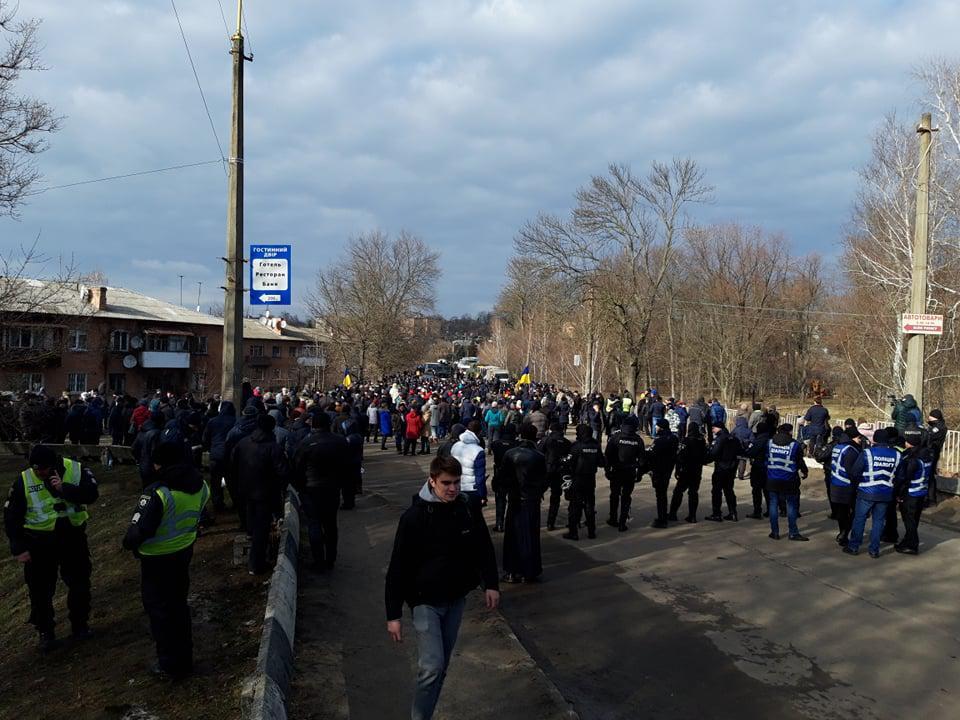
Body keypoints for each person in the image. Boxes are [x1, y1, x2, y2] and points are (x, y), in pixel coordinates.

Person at [384, 455, 500, 720]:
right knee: (432, 667)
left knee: (441, 667)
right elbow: (397, 568)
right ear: (432, 481)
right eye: (446, 483)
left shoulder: (467, 507)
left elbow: (483, 546)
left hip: (456, 599)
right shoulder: (413, 517)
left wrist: (491, 584)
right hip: (425, 602)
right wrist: (393, 615)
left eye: (457, 482)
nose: (453, 488)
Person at [123, 441, 210, 679]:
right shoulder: (201, 486)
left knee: (160, 613)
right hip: (183, 552)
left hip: (156, 561)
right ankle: (184, 658)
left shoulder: (158, 492)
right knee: (179, 607)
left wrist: (128, 543)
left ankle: (169, 664)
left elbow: (138, 532)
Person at [4, 445, 98, 653]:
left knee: (79, 582)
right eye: (36, 469)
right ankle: (46, 632)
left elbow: (91, 495)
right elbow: (11, 517)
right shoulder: (24, 481)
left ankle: (80, 625)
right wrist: (18, 547)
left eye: (44, 469)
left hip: (72, 538)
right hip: (39, 543)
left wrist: (65, 490)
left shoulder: (76, 470)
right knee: (40, 591)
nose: (40, 473)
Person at [293, 411, 351, 572]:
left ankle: (319, 560)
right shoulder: (339, 442)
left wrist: (300, 487)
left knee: (314, 524)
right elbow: (348, 464)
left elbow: (297, 467)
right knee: (330, 524)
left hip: (311, 490)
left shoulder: (306, 443)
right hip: (332, 489)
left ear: (313, 424)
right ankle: (330, 558)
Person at [231, 413, 289, 574]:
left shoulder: (243, 443)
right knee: (261, 530)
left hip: (245, 490)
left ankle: (252, 547)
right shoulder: (273, 447)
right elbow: (282, 472)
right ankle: (256, 564)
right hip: (265, 493)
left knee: (252, 523)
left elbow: (233, 464)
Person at [499, 423, 547, 582]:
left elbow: (502, 477)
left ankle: (512, 571)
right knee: (531, 536)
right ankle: (529, 571)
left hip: (514, 498)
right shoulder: (538, 456)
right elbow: (544, 480)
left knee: (512, 535)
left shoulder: (510, 453)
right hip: (531, 499)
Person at [845, 428, 902, 558]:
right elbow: (900, 476)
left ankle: (854, 546)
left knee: (859, 519)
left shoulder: (867, 453)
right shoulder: (897, 454)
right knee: (878, 521)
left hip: (866, 492)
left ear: (874, 439)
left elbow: (855, 472)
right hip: (886, 493)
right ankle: (874, 550)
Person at [765, 424, 809, 541]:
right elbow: (800, 461)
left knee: (773, 505)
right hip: (789, 479)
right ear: (789, 432)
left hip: (772, 478)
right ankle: (793, 532)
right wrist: (805, 472)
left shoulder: (769, 443)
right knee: (791, 506)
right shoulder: (794, 445)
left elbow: (766, 458)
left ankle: (774, 532)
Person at [894, 428, 933, 555]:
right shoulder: (926, 455)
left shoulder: (912, 459)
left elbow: (904, 478)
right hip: (921, 492)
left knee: (909, 519)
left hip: (911, 493)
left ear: (909, 443)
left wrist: (898, 493)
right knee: (914, 519)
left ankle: (912, 544)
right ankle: (908, 540)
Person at [604, 415, 645, 531]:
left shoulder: (616, 437)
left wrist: (608, 470)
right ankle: (622, 523)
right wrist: (639, 474)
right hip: (630, 472)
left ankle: (613, 518)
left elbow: (608, 455)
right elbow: (642, 460)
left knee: (614, 495)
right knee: (626, 497)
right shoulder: (638, 440)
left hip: (616, 471)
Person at [563, 424, 604, 540]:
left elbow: (569, 462)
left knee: (575, 506)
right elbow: (601, 462)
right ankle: (591, 531)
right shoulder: (596, 445)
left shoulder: (576, 446)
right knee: (589, 505)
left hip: (578, 479)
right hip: (590, 479)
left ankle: (573, 532)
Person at [829, 428, 863, 547]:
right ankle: (844, 533)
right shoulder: (851, 450)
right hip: (847, 485)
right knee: (854, 512)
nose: (860, 440)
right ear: (852, 438)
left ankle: (842, 533)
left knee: (841, 512)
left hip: (835, 483)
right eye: (859, 438)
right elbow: (852, 471)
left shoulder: (838, 447)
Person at [668, 422, 708, 522]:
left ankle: (673, 514)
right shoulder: (702, 441)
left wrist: (677, 469)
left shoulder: (686, 441)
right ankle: (692, 515)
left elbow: (680, 456)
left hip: (686, 470)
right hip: (697, 470)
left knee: (678, 492)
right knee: (693, 492)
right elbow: (705, 456)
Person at [202, 400, 236, 512]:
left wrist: (208, 448)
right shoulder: (235, 421)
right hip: (230, 455)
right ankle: (236, 502)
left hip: (216, 454)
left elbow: (205, 438)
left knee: (215, 481)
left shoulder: (213, 421)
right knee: (232, 480)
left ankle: (217, 503)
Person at [538, 421, 572, 531]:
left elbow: (538, 453)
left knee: (537, 494)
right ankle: (550, 522)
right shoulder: (567, 442)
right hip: (560, 472)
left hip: (546, 471)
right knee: (555, 498)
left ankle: (535, 519)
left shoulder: (546, 440)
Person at [704, 421, 740, 522]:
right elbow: (740, 451)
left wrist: (705, 460)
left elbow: (714, 453)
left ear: (718, 428)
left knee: (716, 491)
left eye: (713, 428)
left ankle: (717, 514)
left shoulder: (720, 439)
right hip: (731, 468)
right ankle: (733, 513)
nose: (712, 430)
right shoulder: (734, 438)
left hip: (721, 467)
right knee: (729, 490)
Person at [450, 420, 487, 515]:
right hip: (472, 490)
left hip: (457, 488)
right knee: (475, 519)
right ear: (478, 432)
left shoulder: (455, 446)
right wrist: (483, 495)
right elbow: (480, 477)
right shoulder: (478, 451)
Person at [647, 419, 678, 527]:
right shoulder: (674, 438)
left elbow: (652, 454)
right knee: (662, 493)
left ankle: (662, 519)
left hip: (659, 469)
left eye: (657, 426)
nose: (656, 428)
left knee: (660, 495)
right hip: (668, 468)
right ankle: (663, 516)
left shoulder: (660, 440)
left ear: (661, 427)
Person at [490, 423, 519, 532]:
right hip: (512, 475)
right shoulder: (516, 444)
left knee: (500, 500)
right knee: (513, 500)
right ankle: (511, 523)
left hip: (499, 474)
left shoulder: (496, 444)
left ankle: (499, 523)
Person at [744, 422, 771, 519]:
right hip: (768, 467)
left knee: (756, 490)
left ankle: (757, 511)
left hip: (759, 466)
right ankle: (770, 510)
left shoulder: (760, 440)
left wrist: (747, 449)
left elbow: (752, 452)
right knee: (767, 490)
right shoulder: (770, 439)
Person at [926, 409, 947, 504]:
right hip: (933, 452)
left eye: (930, 416)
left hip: (932, 452)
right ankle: (930, 497)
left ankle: (931, 498)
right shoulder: (937, 425)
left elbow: (929, 436)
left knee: (929, 475)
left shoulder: (938, 427)